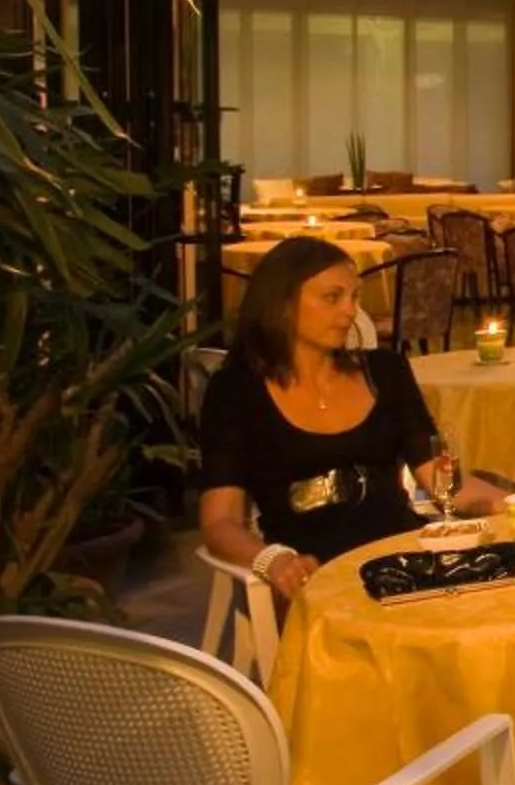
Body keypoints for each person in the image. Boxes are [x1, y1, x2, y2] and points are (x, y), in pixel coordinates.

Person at [197, 236, 490, 597]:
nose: (350, 311)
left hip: (400, 559)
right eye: (332, 297)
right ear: (283, 304)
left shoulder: (385, 371)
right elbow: (220, 521)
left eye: (355, 297)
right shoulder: (237, 391)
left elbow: (442, 480)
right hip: (311, 572)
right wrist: (270, 559)